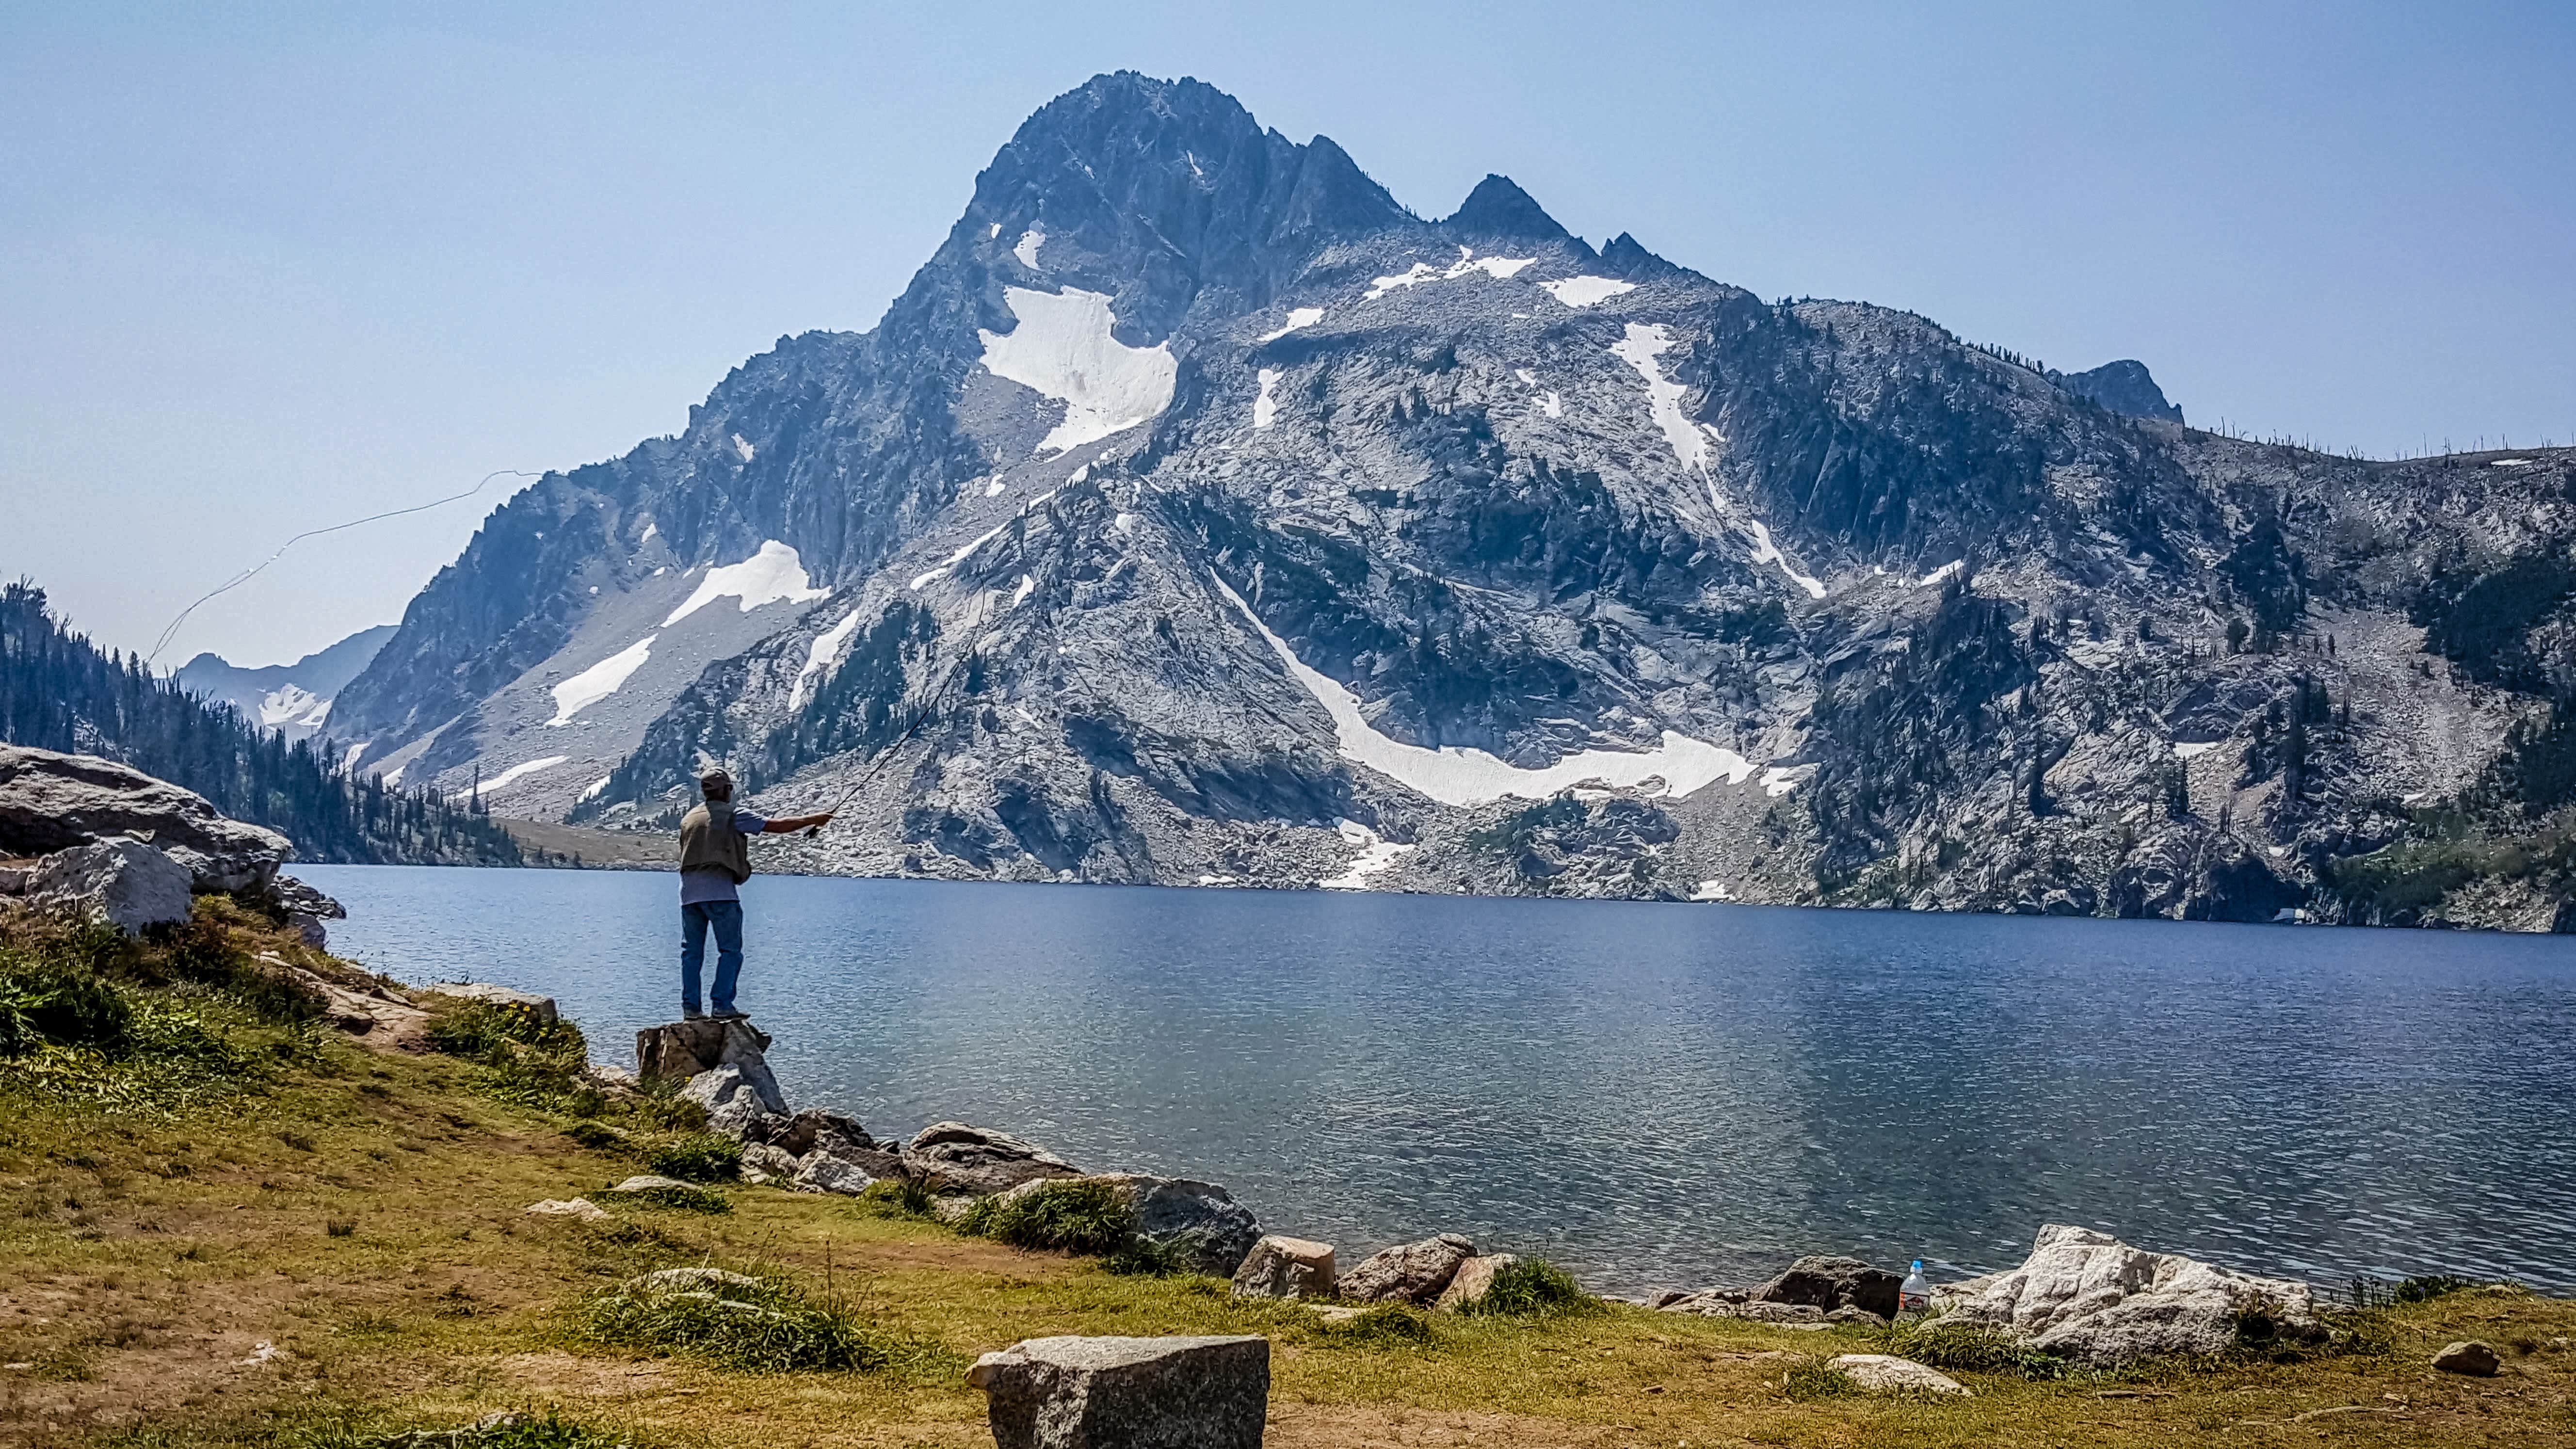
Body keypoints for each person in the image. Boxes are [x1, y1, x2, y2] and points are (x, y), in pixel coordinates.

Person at [676, 769, 832, 1020]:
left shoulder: (689, 818)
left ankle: (691, 1010)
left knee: (692, 953)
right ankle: (722, 1005)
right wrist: (813, 819)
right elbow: (776, 826)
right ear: (727, 790)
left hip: (688, 896)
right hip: (721, 894)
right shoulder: (735, 815)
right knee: (730, 951)